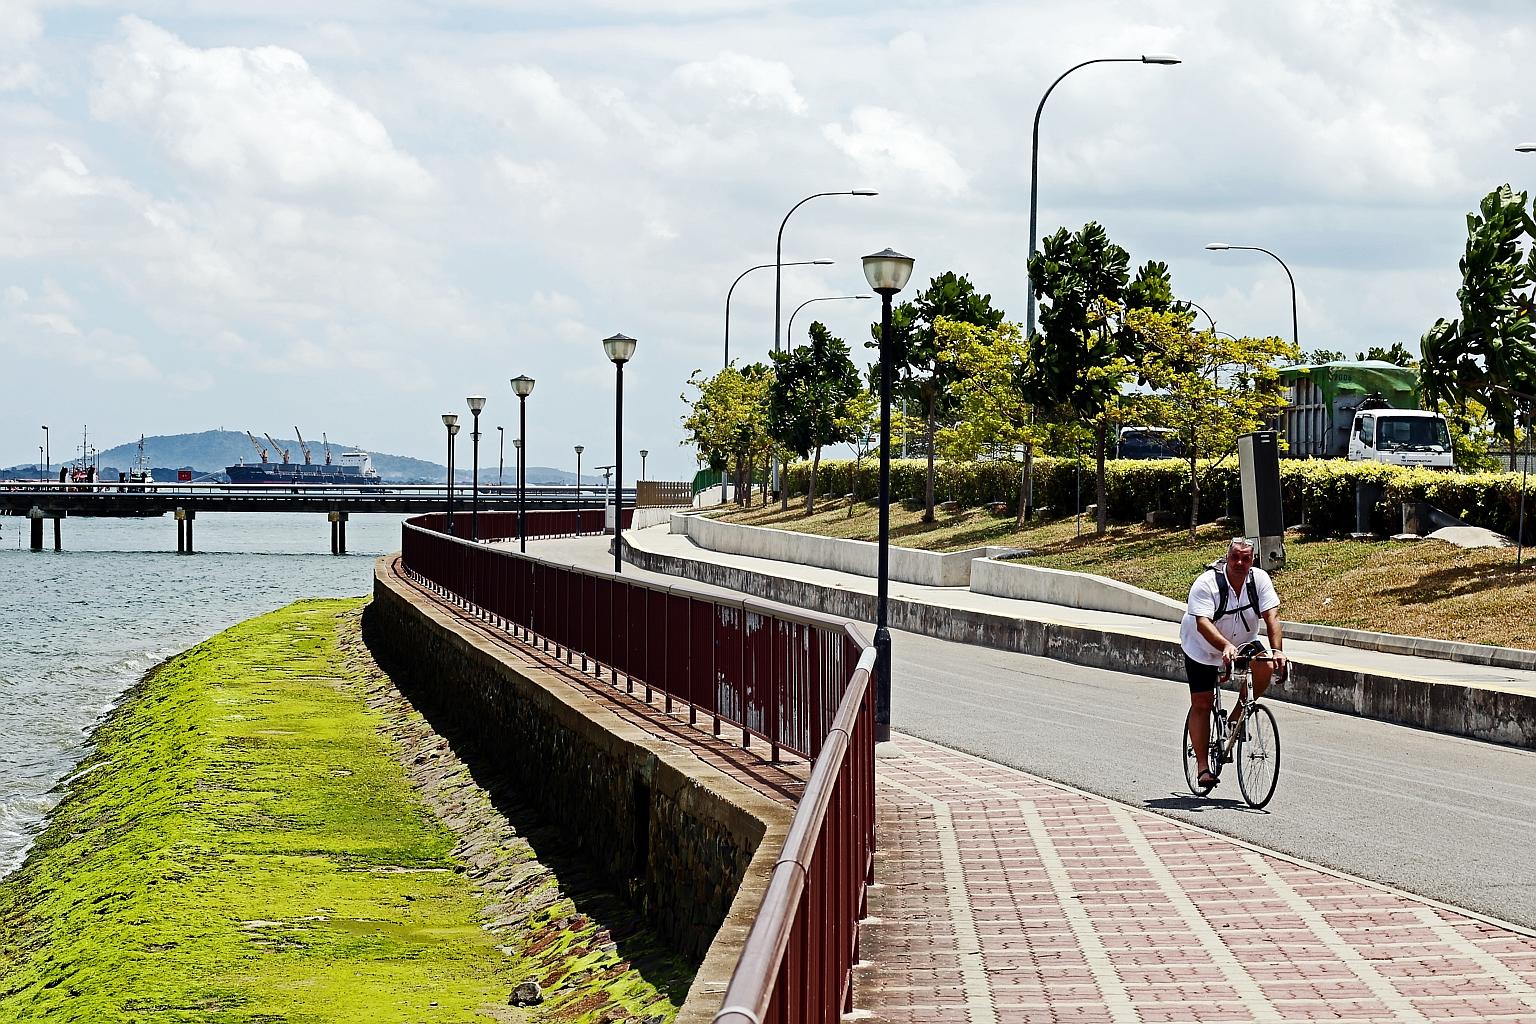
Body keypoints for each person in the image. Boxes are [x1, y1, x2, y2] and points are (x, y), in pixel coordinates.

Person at [1180, 537, 1286, 789]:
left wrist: (1278, 651)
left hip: (1243, 641)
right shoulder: (1207, 584)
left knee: (1266, 666)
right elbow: (1202, 623)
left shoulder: (1258, 580)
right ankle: (1204, 768)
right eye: (1234, 557)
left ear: (1253, 561)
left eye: (1245, 558)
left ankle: (1234, 720)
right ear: (1226, 558)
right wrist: (1224, 646)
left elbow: (1272, 617)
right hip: (1202, 647)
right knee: (1203, 703)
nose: (1239, 563)